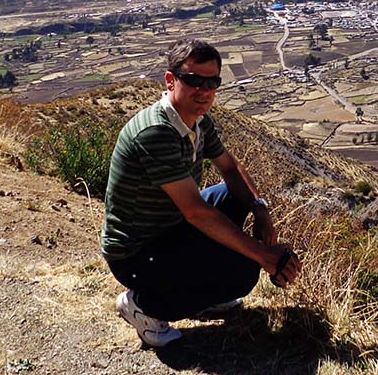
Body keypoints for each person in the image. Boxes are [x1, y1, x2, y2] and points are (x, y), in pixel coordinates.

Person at [102, 38, 302, 347]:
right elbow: (195, 211)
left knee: (233, 195)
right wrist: (264, 255)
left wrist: (260, 210)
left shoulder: (198, 122)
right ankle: (143, 306)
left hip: (169, 228)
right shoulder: (156, 132)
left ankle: (203, 295)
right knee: (243, 273)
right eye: (193, 80)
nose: (204, 90)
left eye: (213, 82)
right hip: (137, 252)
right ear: (170, 81)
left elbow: (230, 168)